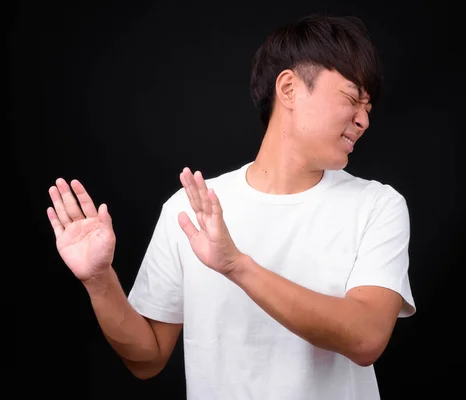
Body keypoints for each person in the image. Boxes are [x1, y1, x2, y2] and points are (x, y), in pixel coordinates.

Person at [47, 13, 416, 400]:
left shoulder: (377, 205)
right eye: (352, 97)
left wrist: (237, 266)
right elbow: (147, 357)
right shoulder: (191, 210)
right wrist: (100, 281)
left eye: (369, 108)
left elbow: (366, 337)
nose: (363, 119)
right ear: (288, 88)